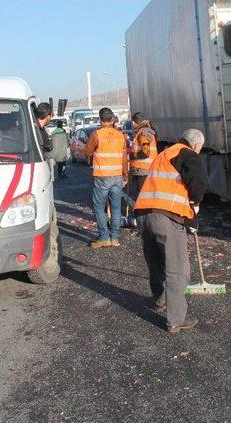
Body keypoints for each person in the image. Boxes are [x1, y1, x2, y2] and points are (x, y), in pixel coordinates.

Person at [134, 129, 206, 334]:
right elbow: (197, 183)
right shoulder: (188, 154)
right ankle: (175, 320)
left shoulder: (165, 154)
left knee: (155, 260)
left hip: (143, 213)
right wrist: (195, 209)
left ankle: (160, 299)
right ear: (197, 145)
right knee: (178, 270)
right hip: (166, 217)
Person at [85, 107, 129, 249]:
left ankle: (104, 237)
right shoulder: (120, 135)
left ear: (100, 120)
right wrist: (125, 175)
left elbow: (87, 152)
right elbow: (124, 157)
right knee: (116, 208)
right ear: (112, 119)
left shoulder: (97, 134)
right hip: (117, 176)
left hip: (102, 177)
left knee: (98, 208)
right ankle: (114, 238)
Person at [126, 112, 158, 224]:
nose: (132, 124)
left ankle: (145, 222)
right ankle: (145, 220)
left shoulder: (143, 133)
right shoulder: (145, 132)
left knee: (143, 198)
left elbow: (145, 152)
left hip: (143, 170)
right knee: (145, 197)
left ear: (135, 122)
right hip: (146, 169)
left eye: (132, 121)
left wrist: (132, 155)